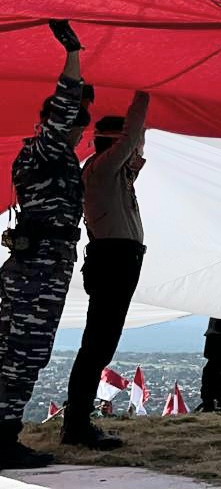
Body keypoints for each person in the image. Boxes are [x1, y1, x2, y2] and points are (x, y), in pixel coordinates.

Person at [0, 21, 90, 469]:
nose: (78, 133)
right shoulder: (45, 150)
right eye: (76, 126)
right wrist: (73, 54)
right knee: (22, 354)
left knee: (18, 353)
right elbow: (65, 104)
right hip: (36, 270)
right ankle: (2, 439)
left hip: (40, 266)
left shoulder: (56, 156)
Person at [61, 91, 149, 450]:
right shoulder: (101, 170)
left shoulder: (114, 175)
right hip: (113, 260)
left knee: (100, 344)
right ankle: (77, 425)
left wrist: (134, 140)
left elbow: (135, 146)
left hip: (120, 259)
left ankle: (77, 423)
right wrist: (143, 94)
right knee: (96, 346)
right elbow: (131, 139)